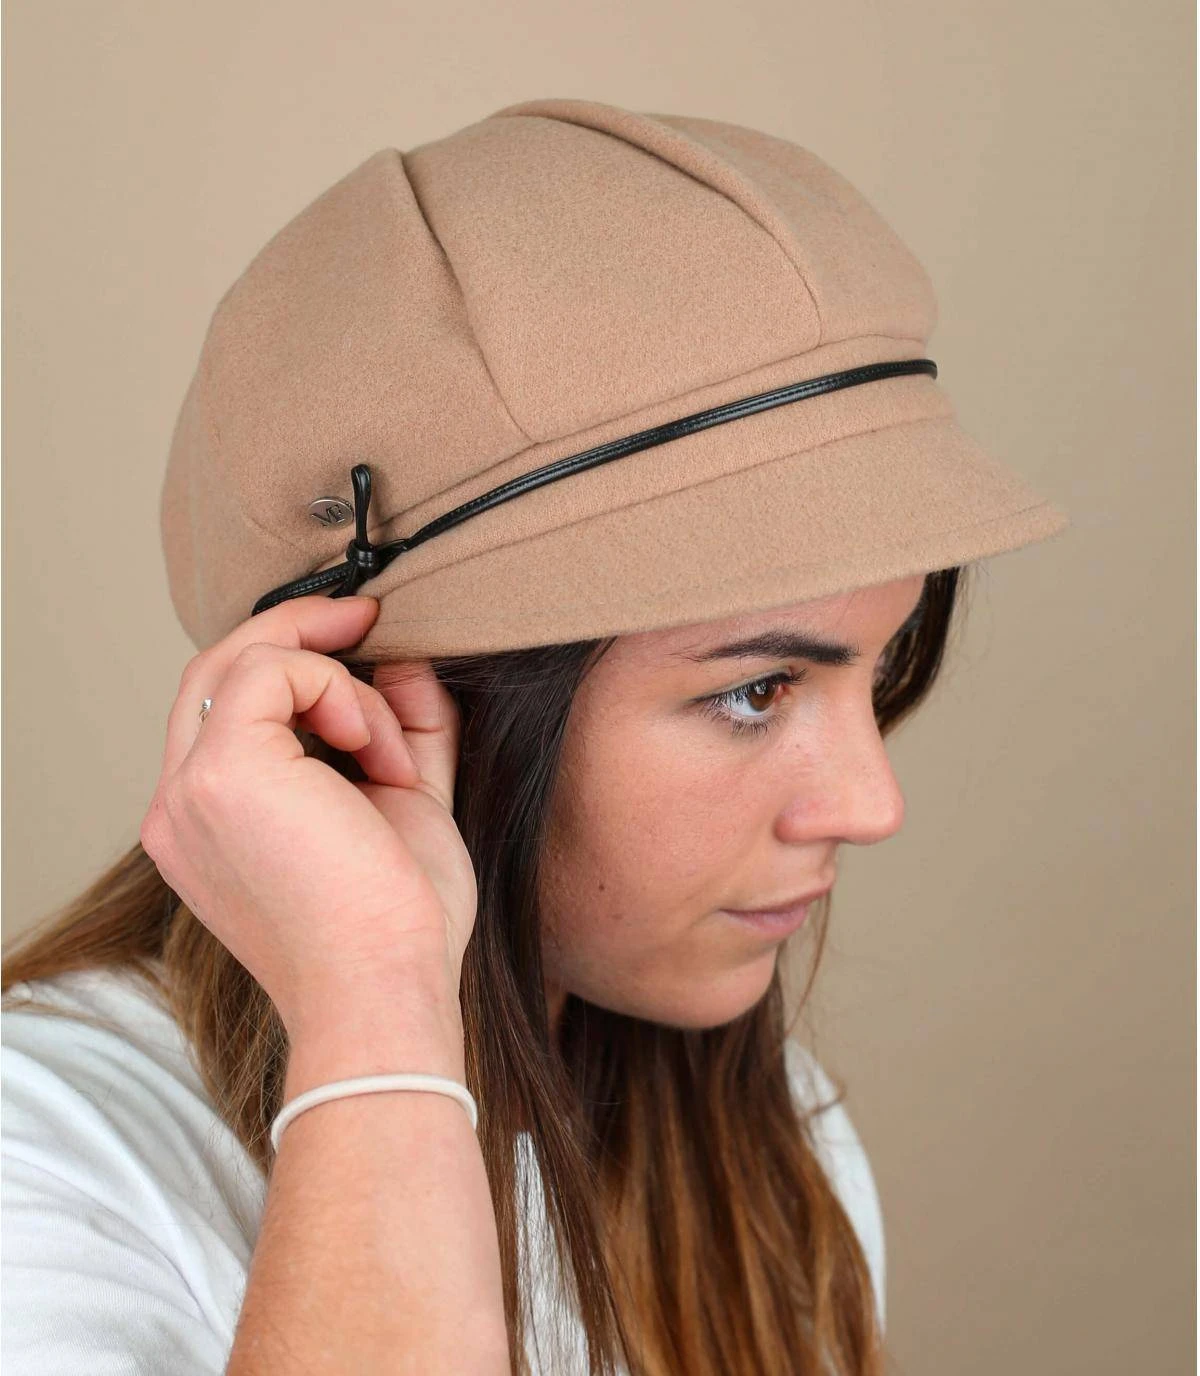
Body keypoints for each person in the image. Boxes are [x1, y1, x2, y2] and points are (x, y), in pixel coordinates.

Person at [1, 97, 1069, 1375]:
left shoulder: (769, 1150)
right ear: (394, 700)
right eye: (758, 690)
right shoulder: (48, 1166)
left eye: (879, 666)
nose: (869, 803)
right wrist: (378, 1012)